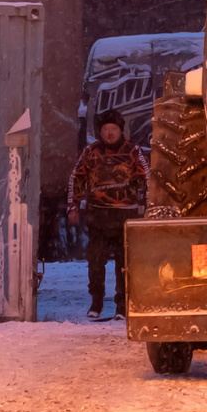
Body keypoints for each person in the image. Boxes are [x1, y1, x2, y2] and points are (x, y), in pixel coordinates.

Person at [67, 110, 146, 319]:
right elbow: (76, 179)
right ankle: (96, 303)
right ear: (100, 132)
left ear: (121, 131)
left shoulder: (133, 151)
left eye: (113, 130)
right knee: (95, 263)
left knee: (125, 264)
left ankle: (122, 306)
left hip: (125, 217)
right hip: (98, 217)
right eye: (105, 130)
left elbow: (147, 179)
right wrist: (73, 207)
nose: (110, 134)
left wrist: (148, 205)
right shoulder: (90, 152)